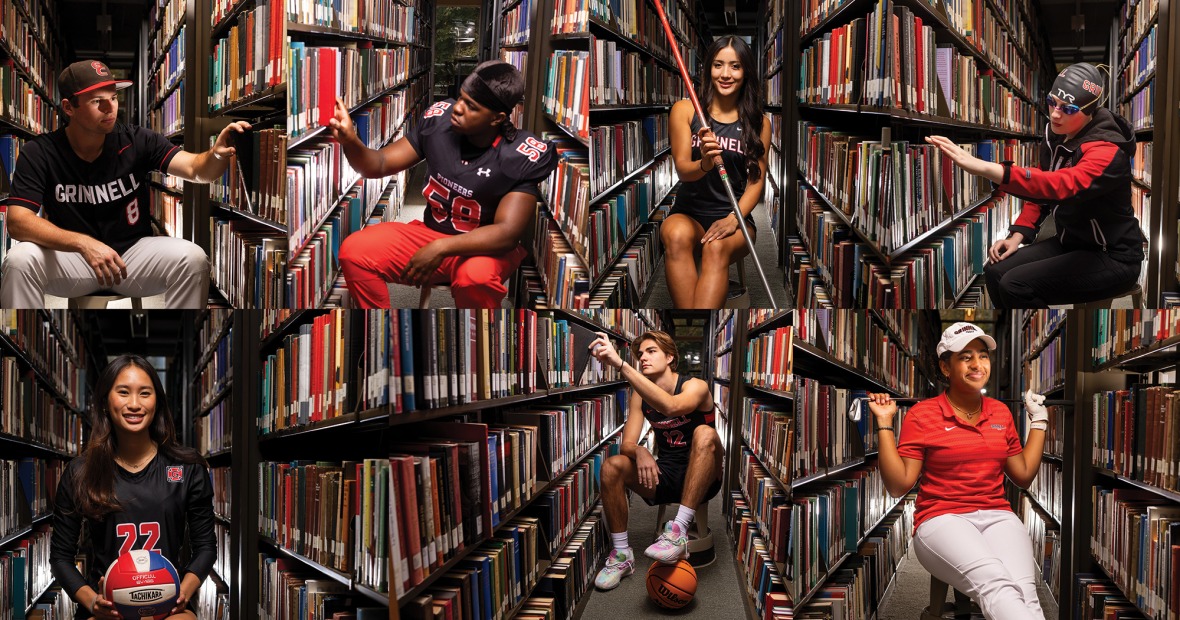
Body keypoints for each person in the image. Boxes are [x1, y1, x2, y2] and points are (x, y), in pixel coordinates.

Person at [1, 60, 250, 309]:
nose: (110, 107)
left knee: (193, 259)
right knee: (18, 260)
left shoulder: (138, 140)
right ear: (69, 107)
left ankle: (186, 330)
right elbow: (18, 221)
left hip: (131, 256)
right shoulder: (39, 152)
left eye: (113, 97)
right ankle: (23, 329)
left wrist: (216, 154)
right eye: (97, 101)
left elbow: (196, 169)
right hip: (71, 257)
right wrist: (84, 243)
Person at [329, 60, 558, 308]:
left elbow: (506, 233)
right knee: (354, 251)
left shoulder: (519, 155)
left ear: (497, 118)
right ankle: (381, 327)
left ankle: (477, 331)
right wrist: (350, 141)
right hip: (430, 233)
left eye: (471, 106)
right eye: (461, 98)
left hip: (482, 250)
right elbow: (379, 164)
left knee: (475, 279)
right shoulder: (439, 122)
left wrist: (441, 248)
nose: (457, 108)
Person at [867, 322, 1048, 620]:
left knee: (1026, 593)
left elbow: (1024, 475)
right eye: (965, 357)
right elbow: (899, 485)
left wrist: (1038, 422)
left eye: (983, 355)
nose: (978, 364)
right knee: (996, 585)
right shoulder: (923, 414)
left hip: (997, 514)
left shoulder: (1000, 412)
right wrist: (885, 423)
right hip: (941, 518)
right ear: (946, 367)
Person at [924, 63, 1143, 307]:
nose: (1056, 114)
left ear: (1089, 110)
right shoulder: (1057, 136)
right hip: (1071, 242)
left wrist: (987, 169)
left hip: (1112, 256)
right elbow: (1041, 189)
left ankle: (1046, 329)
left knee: (1015, 285)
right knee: (995, 271)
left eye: (1068, 109)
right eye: (1052, 102)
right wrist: (1017, 235)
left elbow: (1058, 185)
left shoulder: (1107, 151)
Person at [50, 355, 215, 619]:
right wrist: (93, 603)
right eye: (124, 392)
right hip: (107, 607)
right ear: (105, 402)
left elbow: (205, 547)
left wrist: (180, 594)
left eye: (145, 393)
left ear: (157, 402)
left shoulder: (187, 468)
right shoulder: (80, 472)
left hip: (168, 604)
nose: (135, 404)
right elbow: (60, 557)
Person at [587, 330, 723, 590]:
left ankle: (678, 532)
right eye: (640, 354)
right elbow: (627, 443)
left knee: (705, 433)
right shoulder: (641, 396)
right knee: (612, 466)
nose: (643, 358)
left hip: (705, 478)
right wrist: (640, 451)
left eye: (651, 351)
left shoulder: (695, 386)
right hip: (667, 475)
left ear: (670, 357)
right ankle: (622, 555)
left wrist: (621, 364)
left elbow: (671, 406)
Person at [663, 36, 773, 309]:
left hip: (734, 214)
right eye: (718, 65)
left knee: (715, 247)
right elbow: (683, 171)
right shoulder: (686, 110)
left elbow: (755, 183)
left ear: (745, 72)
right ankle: (695, 320)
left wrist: (733, 219)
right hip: (689, 212)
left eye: (735, 66)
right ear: (708, 69)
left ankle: (697, 321)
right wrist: (705, 163)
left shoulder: (759, 123)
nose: (725, 74)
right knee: (674, 236)